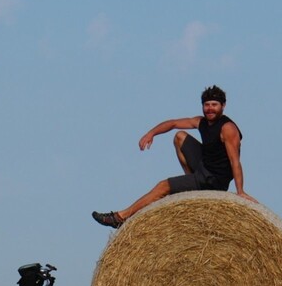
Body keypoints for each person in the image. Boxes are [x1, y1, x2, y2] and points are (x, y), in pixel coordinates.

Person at [92, 85, 257, 228]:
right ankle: (190, 181)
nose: (210, 108)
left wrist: (240, 192)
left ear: (223, 106)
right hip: (203, 168)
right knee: (180, 136)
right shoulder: (201, 122)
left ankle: (121, 217)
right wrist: (151, 133)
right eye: (207, 105)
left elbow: (235, 162)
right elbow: (172, 123)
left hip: (212, 180)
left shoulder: (228, 128)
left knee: (163, 186)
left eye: (214, 105)